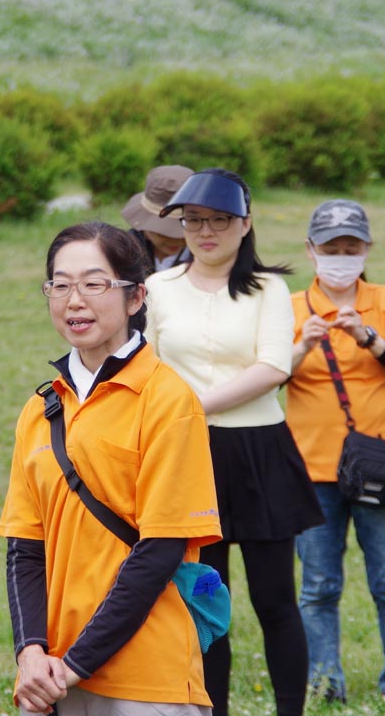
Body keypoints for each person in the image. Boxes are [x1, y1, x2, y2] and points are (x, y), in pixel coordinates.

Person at [0, 221, 223, 716]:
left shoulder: (168, 400)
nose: (74, 300)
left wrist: (78, 662)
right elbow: (25, 549)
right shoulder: (41, 409)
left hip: (146, 679)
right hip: (52, 679)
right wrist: (31, 653)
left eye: (95, 284)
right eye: (60, 285)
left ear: (135, 297)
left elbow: (159, 552)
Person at [144, 169, 324, 716]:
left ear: (245, 225)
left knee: (275, 602)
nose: (206, 232)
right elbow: (147, 365)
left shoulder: (269, 288)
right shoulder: (157, 289)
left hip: (259, 452)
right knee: (206, 602)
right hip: (187, 457)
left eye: (220, 220)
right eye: (194, 220)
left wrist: (191, 408)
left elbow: (273, 365)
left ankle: (290, 708)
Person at [285, 200, 385, 705]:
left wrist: (369, 337)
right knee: (319, 586)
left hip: (380, 469)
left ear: (367, 250)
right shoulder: (290, 306)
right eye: (330, 249)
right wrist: (302, 345)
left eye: (351, 248)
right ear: (311, 251)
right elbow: (269, 376)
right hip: (312, 470)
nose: (341, 257)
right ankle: (326, 683)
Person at [121, 164, 194, 274]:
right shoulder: (124, 252)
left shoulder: (206, 258)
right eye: (163, 234)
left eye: (182, 233)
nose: (175, 240)